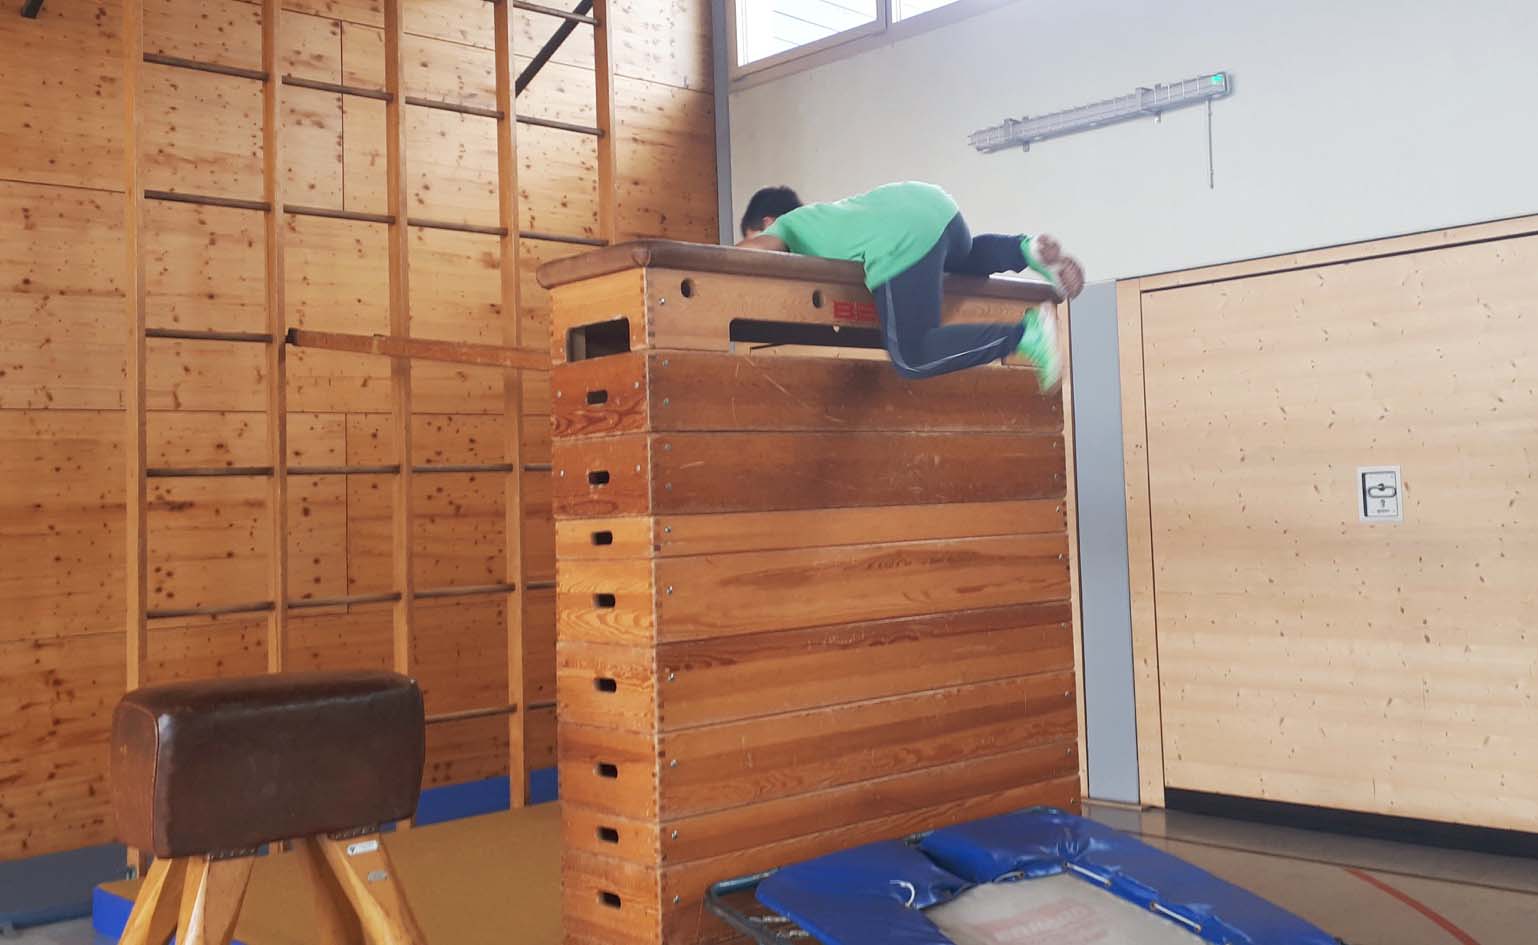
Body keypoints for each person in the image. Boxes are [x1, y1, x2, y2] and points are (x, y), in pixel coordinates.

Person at [736, 182, 1082, 390]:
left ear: (768, 222)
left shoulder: (784, 226)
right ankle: (1024, 249)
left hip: (899, 238)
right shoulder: (829, 217)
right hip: (939, 209)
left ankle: (1025, 335)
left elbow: (755, 251)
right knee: (955, 263)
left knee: (912, 356)